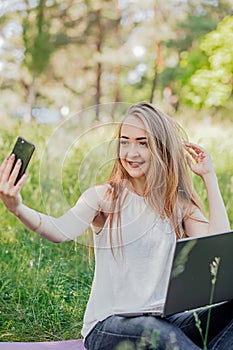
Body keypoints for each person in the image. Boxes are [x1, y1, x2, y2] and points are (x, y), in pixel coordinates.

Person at [0, 102, 232, 350]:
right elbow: (58, 231)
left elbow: (217, 252)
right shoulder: (106, 196)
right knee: (152, 330)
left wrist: (209, 177)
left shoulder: (178, 205)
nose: (131, 153)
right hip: (108, 326)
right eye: (125, 141)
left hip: (166, 322)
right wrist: (17, 207)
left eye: (143, 143)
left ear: (162, 148)